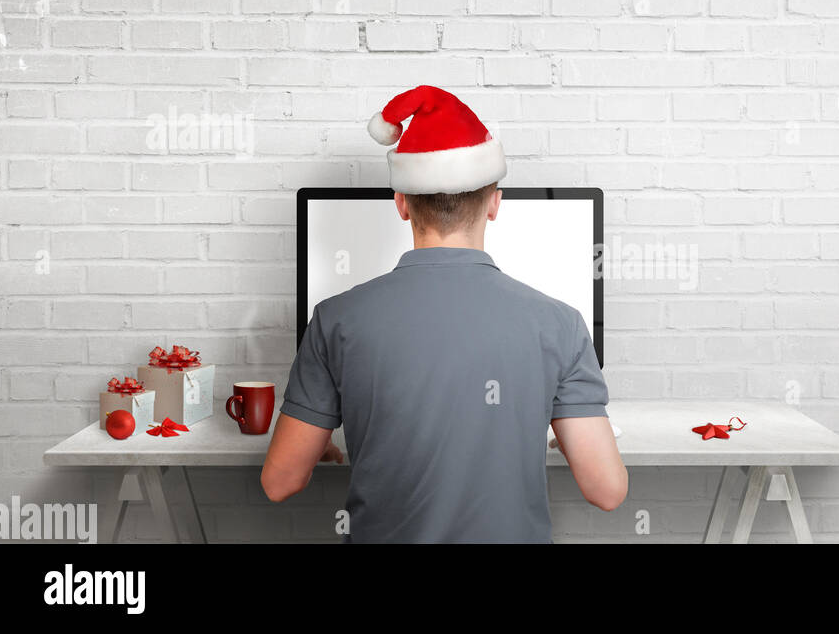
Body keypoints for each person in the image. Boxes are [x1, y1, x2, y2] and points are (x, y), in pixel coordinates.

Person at [261, 85, 627, 543]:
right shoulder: (562, 323)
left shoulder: (336, 320)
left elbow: (280, 483)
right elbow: (607, 491)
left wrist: (325, 437)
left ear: (401, 202)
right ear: (495, 203)